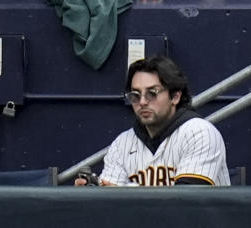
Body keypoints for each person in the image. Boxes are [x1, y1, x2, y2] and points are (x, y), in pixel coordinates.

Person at [76, 56, 230, 187]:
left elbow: (187, 206)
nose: (142, 101)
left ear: (175, 97)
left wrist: (125, 194)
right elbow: (110, 207)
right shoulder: (122, 144)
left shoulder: (200, 133)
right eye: (135, 95)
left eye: (152, 93)